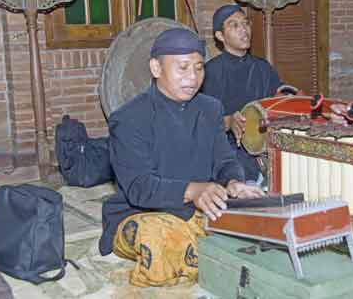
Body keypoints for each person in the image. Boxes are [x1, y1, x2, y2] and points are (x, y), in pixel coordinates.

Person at [99, 28, 264, 287]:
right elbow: (139, 188)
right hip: (142, 213)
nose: (193, 77)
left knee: (263, 220)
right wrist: (193, 190)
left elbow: (224, 160)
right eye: (183, 68)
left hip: (199, 208)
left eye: (199, 68)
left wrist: (233, 182)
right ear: (156, 68)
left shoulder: (210, 109)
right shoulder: (129, 119)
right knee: (158, 238)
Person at [202, 4, 284, 183]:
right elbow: (203, 123)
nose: (244, 30)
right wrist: (229, 121)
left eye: (245, 23)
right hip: (230, 152)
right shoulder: (210, 72)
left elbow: (278, 100)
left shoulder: (263, 67)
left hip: (267, 147)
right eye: (234, 25)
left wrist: (287, 98)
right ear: (220, 36)